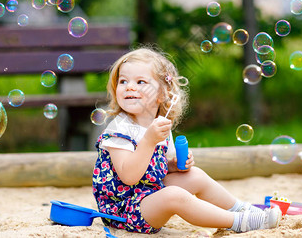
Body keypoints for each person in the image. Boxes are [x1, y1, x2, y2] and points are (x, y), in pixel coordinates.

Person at [92, 47, 281, 234]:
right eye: (123, 81)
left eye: (141, 81)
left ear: (162, 94)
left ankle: (242, 209)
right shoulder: (119, 129)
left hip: (147, 195)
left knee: (195, 175)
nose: (130, 86)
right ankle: (239, 222)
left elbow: (161, 167)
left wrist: (175, 165)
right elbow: (129, 176)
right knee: (174, 195)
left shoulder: (159, 124)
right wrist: (149, 140)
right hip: (123, 211)